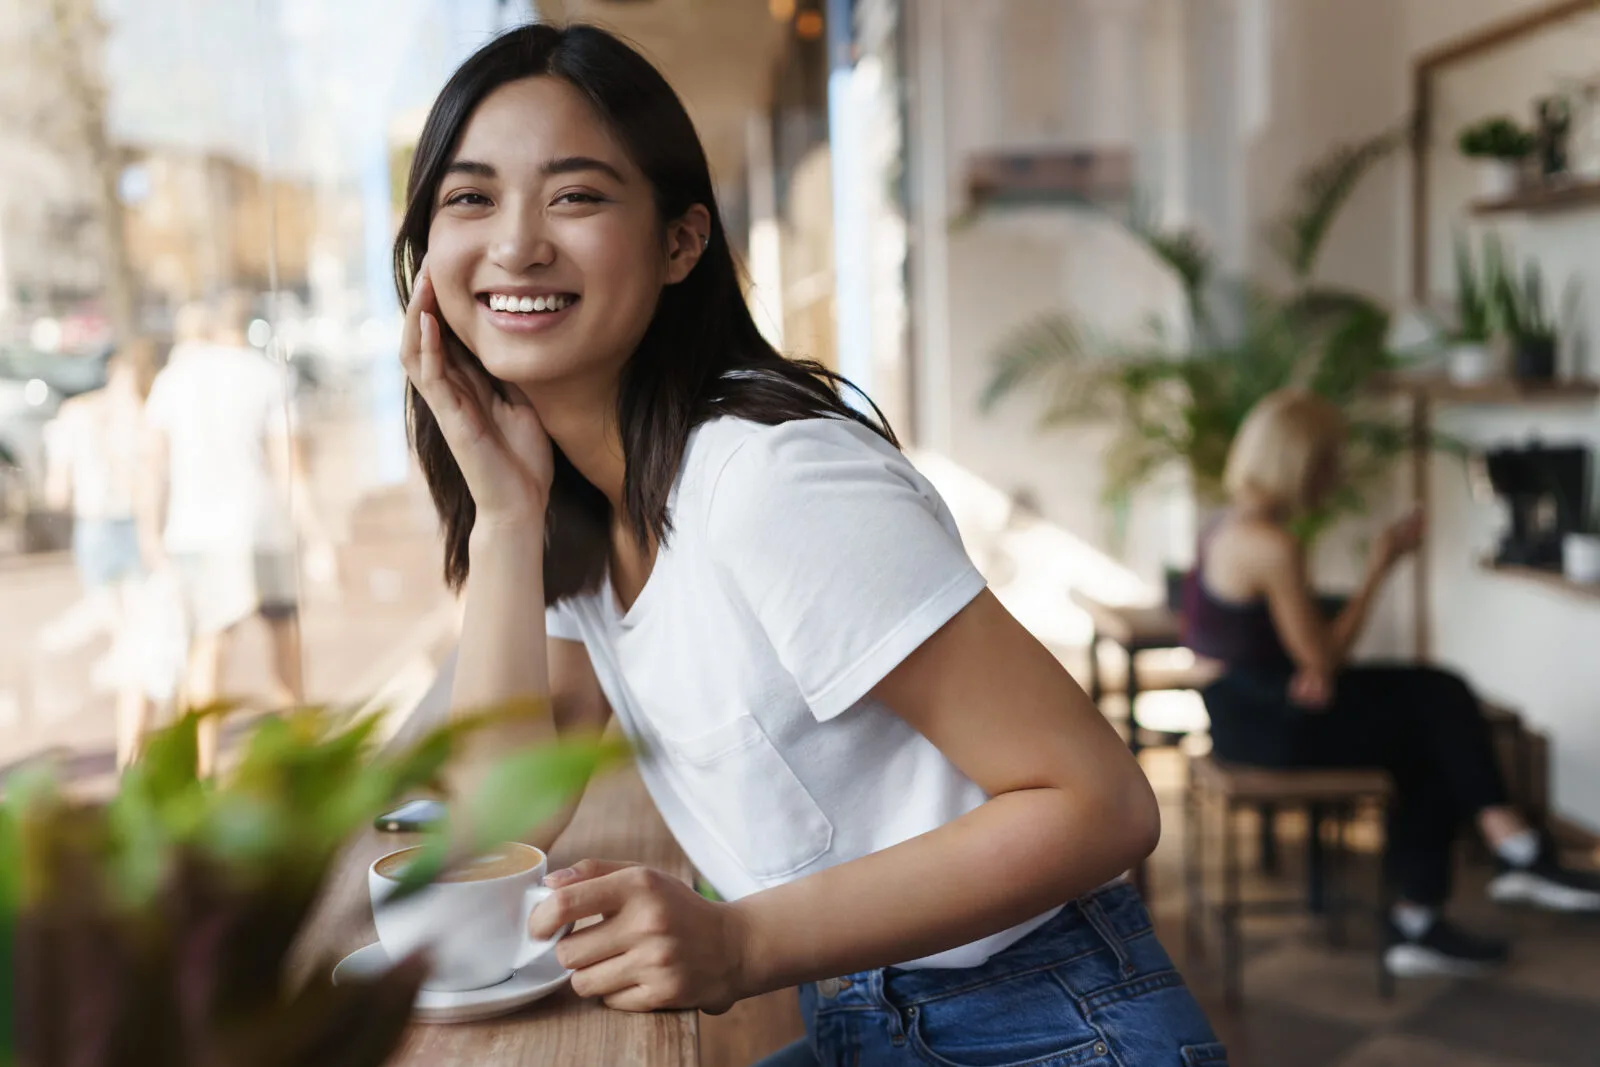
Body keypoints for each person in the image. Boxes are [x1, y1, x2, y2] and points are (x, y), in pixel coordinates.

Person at [395, 22, 1225, 1067]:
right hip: (869, 1020)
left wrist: (740, 940)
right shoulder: (573, 500)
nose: (517, 245)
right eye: (471, 198)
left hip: (1049, 1022)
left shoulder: (769, 479)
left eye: (576, 195)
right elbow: (500, 811)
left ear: (681, 243)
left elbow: (1101, 804)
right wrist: (507, 519)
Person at [1183, 388, 1600, 979]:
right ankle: (1506, 855)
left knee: (1431, 725)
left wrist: (1309, 660)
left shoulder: (1224, 526)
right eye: (1331, 460)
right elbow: (1326, 657)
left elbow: (1259, 640)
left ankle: (1437, 907)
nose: (1338, 475)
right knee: (1440, 698)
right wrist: (1381, 566)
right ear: (1300, 462)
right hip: (1273, 723)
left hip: (1247, 710)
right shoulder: (1271, 544)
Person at [138, 296, 329, 776]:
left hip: (194, 532)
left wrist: (150, 532)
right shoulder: (265, 374)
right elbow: (289, 465)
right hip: (261, 526)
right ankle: (296, 760)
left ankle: (203, 770)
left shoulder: (172, 379)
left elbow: (152, 466)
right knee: (284, 641)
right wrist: (316, 535)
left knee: (207, 649)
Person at [42, 342, 152, 769]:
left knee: (129, 643)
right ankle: (133, 754)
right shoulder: (142, 413)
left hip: (98, 530)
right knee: (136, 645)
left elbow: (57, 490)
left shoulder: (76, 414)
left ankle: (132, 753)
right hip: (131, 528)